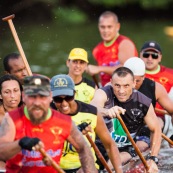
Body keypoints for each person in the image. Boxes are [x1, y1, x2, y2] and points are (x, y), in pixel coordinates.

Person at [0, 75, 98, 173]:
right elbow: (2, 152)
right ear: (24, 96)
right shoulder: (11, 119)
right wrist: (20, 144)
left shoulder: (64, 121)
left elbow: (83, 148)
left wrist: (89, 170)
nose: (37, 103)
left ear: (50, 97)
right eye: (32, 97)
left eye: (42, 97)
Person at [90, 67, 161, 172]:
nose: (121, 91)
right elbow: (92, 107)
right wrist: (106, 111)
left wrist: (153, 158)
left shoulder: (143, 102)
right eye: (117, 85)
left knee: (114, 162)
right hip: (101, 145)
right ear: (111, 82)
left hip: (125, 149)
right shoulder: (104, 93)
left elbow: (156, 129)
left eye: (126, 86)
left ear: (133, 84)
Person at [50, 74, 123, 173]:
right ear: (51, 97)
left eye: (68, 98)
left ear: (74, 94)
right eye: (58, 99)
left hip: (85, 166)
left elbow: (110, 145)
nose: (64, 103)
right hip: (55, 167)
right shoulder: (46, 113)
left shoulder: (91, 112)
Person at [124, 57, 173, 149]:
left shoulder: (156, 88)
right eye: (129, 81)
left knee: (141, 146)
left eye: (137, 81)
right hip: (121, 127)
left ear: (144, 76)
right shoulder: (114, 86)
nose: (133, 85)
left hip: (144, 126)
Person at [86, 11, 138, 86]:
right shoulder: (97, 50)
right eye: (102, 27)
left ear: (117, 27)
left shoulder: (124, 43)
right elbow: (101, 77)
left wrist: (99, 69)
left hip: (125, 89)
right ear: (98, 27)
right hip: (106, 90)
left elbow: (126, 71)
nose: (106, 31)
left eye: (109, 27)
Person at [0, 74, 24, 171]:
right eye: (7, 92)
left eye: (15, 90)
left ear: (21, 92)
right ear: (0, 95)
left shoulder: (29, 113)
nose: (13, 96)